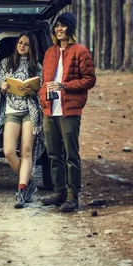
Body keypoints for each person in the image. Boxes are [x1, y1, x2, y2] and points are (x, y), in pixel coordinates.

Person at [39, 12, 96, 212]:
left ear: (70, 29)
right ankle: (59, 192)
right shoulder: (49, 52)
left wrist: (64, 86)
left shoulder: (81, 51)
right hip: (50, 110)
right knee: (53, 154)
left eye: (63, 26)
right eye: (57, 26)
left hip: (69, 110)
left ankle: (73, 196)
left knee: (71, 155)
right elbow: (44, 80)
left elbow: (89, 79)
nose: (59, 29)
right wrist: (42, 97)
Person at [0, 32, 44, 209]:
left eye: (26, 44)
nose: (22, 46)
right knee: (8, 151)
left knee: (26, 151)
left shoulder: (36, 66)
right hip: (11, 110)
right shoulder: (6, 63)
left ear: (32, 48)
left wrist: (32, 91)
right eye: (20, 43)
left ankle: (21, 190)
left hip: (30, 110)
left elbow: (41, 90)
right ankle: (29, 183)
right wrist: (3, 88)